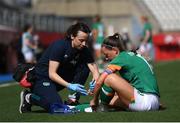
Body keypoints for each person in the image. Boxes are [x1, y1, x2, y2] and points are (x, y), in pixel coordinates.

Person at [19, 22, 99, 114]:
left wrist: (95, 82)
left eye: (86, 40)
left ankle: (72, 100)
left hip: (59, 79)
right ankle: (29, 97)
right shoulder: (60, 46)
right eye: (81, 40)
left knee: (85, 66)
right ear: (72, 36)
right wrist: (70, 85)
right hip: (42, 78)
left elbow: (95, 71)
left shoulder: (84, 50)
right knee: (57, 107)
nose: (84, 44)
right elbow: (52, 74)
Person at [90, 33, 160, 112]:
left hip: (145, 101)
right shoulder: (129, 55)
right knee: (112, 100)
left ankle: (102, 107)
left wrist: (94, 100)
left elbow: (99, 82)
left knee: (109, 78)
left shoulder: (120, 58)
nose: (106, 58)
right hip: (154, 101)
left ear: (115, 51)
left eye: (107, 54)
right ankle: (104, 104)